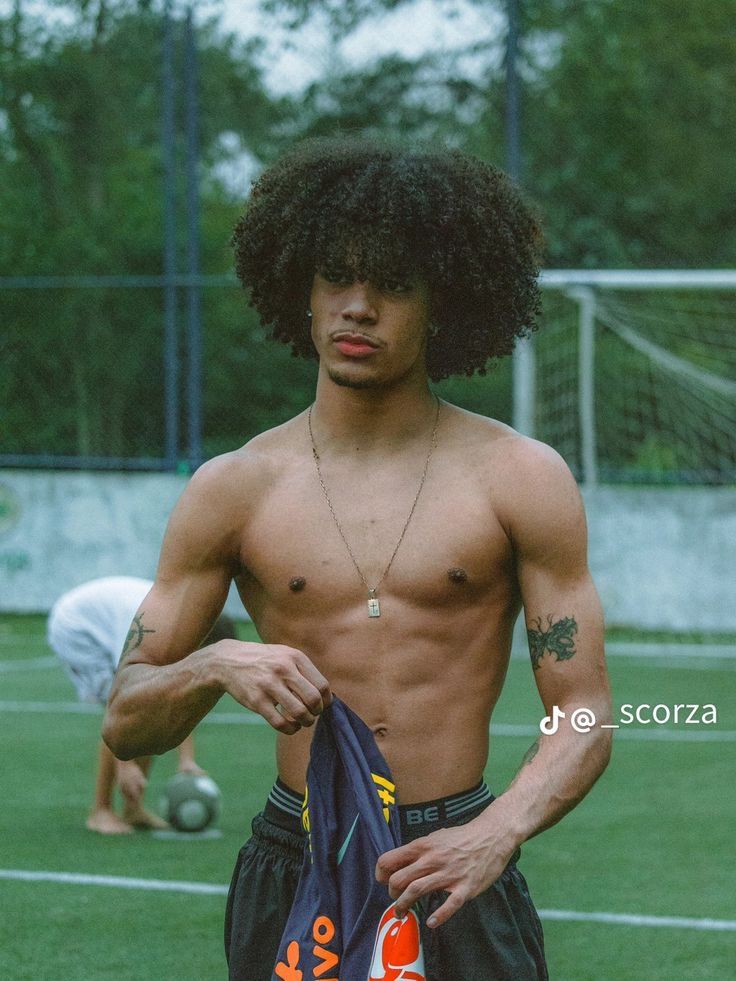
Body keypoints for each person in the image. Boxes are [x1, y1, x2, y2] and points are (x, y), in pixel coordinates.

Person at [103, 137, 612, 978]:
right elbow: (125, 717)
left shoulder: (520, 477)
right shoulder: (234, 488)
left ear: (443, 300)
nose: (359, 307)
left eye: (394, 284)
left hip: (458, 856)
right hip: (298, 859)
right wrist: (215, 663)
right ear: (298, 291)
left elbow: (584, 709)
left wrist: (499, 830)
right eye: (336, 277)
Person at [48, 575, 235, 834]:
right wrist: (125, 766)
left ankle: (132, 809)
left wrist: (186, 760)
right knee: (129, 712)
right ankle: (100, 811)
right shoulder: (150, 628)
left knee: (151, 708)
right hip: (76, 627)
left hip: (105, 619)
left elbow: (177, 698)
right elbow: (120, 703)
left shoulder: (184, 623)